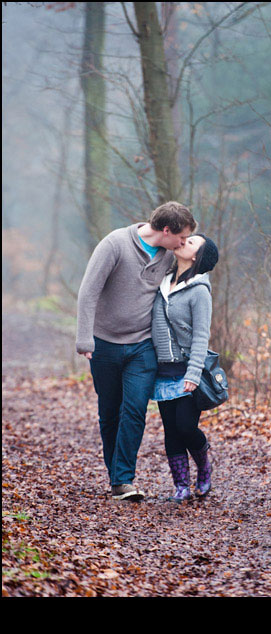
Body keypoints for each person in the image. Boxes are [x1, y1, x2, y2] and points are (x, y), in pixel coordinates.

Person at [77, 202, 196, 501]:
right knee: (110, 413)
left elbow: (193, 267)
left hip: (142, 347)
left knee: (135, 411)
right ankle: (117, 474)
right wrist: (84, 340)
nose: (183, 244)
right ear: (166, 230)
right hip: (103, 344)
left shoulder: (170, 256)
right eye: (181, 238)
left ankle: (123, 480)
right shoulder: (115, 244)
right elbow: (88, 291)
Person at [151, 233, 219, 502]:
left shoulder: (200, 291)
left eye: (190, 242)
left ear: (196, 256)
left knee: (185, 426)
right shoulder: (163, 282)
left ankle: (204, 466)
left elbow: (202, 336)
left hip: (189, 371)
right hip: (162, 371)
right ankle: (181, 485)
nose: (183, 241)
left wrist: (192, 374)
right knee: (170, 430)